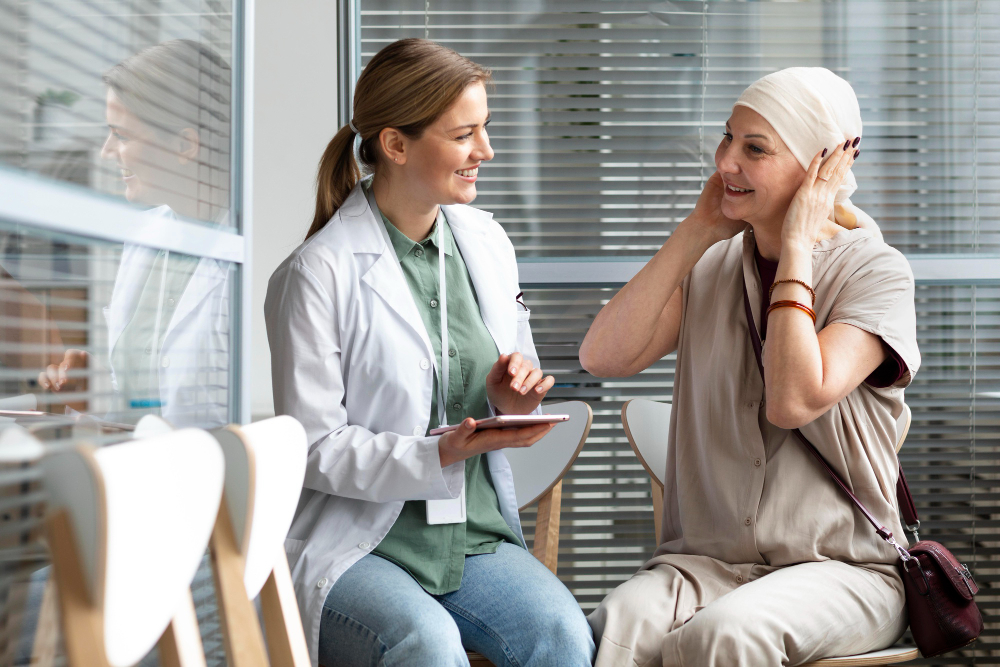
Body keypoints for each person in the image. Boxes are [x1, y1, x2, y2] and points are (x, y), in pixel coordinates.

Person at [265, 38, 595, 667]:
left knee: (560, 632)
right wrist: (436, 452)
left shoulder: (486, 241)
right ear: (396, 145)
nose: (486, 152)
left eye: (486, 129)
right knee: (425, 642)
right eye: (464, 134)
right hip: (364, 541)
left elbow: (501, 382)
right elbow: (312, 446)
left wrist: (511, 397)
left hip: (471, 534)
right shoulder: (317, 273)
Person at [580, 67, 920, 666]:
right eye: (727, 139)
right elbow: (604, 356)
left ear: (823, 167)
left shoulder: (875, 272)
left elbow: (793, 399)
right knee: (618, 622)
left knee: (725, 635)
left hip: (843, 569)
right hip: (706, 566)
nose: (726, 164)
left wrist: (795, 245)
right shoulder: (712, 264)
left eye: (755, 149)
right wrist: (694, 232)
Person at [37, 40, 233, 429]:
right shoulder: (147, 237)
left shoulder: (248, 255)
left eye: (122, 135)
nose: (107, 152)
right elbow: (147, 394)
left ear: (184, 145)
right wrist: (93, 391)